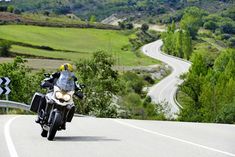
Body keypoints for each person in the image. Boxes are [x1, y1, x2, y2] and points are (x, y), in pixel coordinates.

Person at [36, 63, 84, 129]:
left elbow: (77, 86)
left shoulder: (73, 79)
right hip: (53, 93)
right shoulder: (55, 75)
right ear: (61, 70)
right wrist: (45, 83)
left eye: (69, 71)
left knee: (71, 106)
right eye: (65, 71)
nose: (67, 72)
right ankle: (39, 116)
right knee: (44, 97)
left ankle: (64, 121)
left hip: (66, 95)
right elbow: (47, 79)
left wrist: (79, 92)